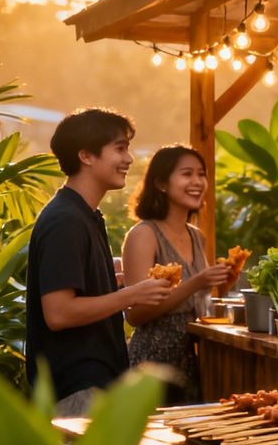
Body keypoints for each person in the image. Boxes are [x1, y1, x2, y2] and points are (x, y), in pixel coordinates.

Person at [26, 108, 171, 415]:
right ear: (86, 156)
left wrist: (112, 280)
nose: (129, 159)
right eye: (119, 148)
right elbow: (59, 313)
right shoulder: (65, 220)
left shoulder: (84, 215)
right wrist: (132, 294)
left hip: (95, 385)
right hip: (77, 390)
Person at [121, 145, 232, 404]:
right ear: (161, 182)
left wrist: (223, 284)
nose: (197, 182)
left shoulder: (197, 236)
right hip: (152, 364)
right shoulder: (144, 235)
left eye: (201, 174)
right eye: (186, 174)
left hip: (191, 362)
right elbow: (135, 315)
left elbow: (197, 302)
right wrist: (196, 283)